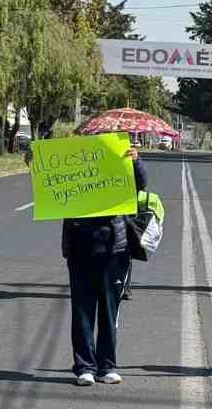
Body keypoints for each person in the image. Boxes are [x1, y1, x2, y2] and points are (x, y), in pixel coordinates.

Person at [25, 144, 147, 386]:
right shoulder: (74, 166)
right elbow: (48, 180)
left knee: (109, 311)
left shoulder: (118, 155)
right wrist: (35, 160)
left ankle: (108, 366)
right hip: (80, 248)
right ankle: (85, 367)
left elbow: (141, 184)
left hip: (114, 248)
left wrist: (135, 160)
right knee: (82, 310)